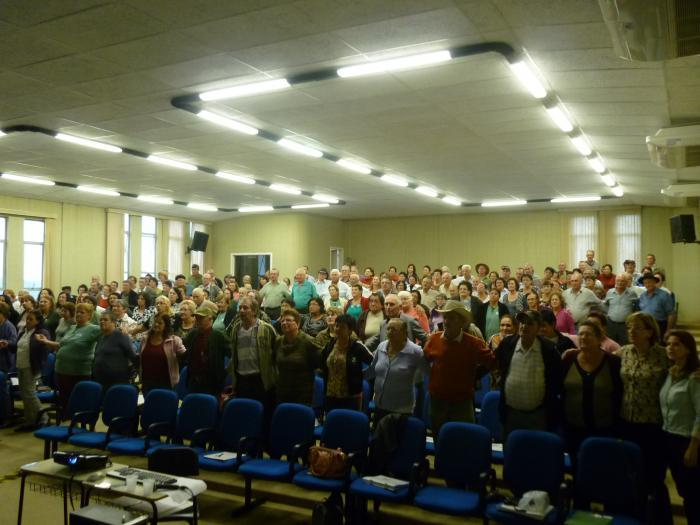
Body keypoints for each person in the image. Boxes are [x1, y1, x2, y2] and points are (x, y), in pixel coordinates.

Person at [618, 312, 671, 525]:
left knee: (653, 478)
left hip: (653, 425)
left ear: (650, 331)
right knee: (630, 476)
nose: (632, 331)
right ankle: (634, 516)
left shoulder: (663, 355)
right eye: (630, 327)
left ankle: (659, 519)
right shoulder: (624, 352)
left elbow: (686, 367)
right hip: (626, 423)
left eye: (637, 328)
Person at [423, 301, 494, 437]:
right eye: (446, 317)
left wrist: (476, 376)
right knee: (440, 440)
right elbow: (424, 360)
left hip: (462, 403)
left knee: (463, 440)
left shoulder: (474, 344)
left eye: (452, 318)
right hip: (437, 402)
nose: (447, 322)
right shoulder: (433, 339)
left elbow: (491, 362)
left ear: (462, 322)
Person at [560, 320, 623, 462]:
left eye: (588, 334)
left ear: (599, 338)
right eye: (581, 334)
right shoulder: (569, 358)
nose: (583, 337)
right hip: (573, 427)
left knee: (599, 467)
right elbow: (561, 389)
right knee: (576, 465)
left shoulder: (613, 362)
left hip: (603, 429)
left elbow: (619, 394)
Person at [496, 310, 563, 438]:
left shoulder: (549, 350)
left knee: (536, 454)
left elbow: (557, 381)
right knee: (512, 452)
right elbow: (495, 364)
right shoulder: (507, 344)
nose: (524, 326)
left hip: (538, 415)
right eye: (522, 322)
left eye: (529, 323)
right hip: (511, 415)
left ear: (538, 328)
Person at [660, 330, 700, 523]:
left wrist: (694, 446)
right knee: (684, 489)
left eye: (676, 344)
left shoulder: (695, 378)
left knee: (693, 493)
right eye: (668, 344)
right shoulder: (671, 373)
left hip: (687, 440)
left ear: (688, 350)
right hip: (669, 437)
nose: (670, 348)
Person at [36, 303, 102, 417]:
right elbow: (61, 345)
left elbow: (109, 332)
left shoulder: (94, 329)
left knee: (78, 403)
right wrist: (46, 341)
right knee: (65, 402)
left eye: (82, 312)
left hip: (78, 372)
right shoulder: (72, 327)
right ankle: (67, 425)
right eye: (77, 312)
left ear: (89, 315)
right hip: (62, 370)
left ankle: (77, 426)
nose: (78, 314)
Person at [365, 318, 429, 425]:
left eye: (394, 329)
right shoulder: (382, 347)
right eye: (388, 329)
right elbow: (372, 370)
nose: (389, 332)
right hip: (380, 406)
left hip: (401, 410)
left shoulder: (415, 352)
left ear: (404, 332)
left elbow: (428, 373)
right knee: (378, 440)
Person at [227, 296, 278, 419]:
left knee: (262, 416)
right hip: (242, 380)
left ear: (254, 311)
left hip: (260, 380)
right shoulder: (236, 329)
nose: (242, 311)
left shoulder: (266, 329)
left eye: (245, 308)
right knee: (244, 416)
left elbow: (276, 353)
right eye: (240, 308)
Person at [320, 314, 373, 412]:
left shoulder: (357, 347)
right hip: (330, 394)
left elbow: (373, 364)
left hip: (350, 396)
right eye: (336, 326)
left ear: (350, 330)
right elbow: (322, 363)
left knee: (348, 423)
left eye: (342, 327)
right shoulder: (330, 345)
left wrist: (361, 376)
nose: (338, 329)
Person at [13, 309, 50, 431]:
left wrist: (42, 342)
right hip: (20, 365)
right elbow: (18, 346)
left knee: (30, 394)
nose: (27, 321)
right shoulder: (24, 331)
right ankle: (30, 420)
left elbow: (45, 347)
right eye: (27, 319)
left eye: (31, 319)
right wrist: (7, 344)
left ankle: (44, 417)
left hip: (31, 367)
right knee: (24, 395)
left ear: (37, 321)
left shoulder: (41, 332)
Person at [182, 301, 229, 396]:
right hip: (194, 379)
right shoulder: (192, 334)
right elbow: (183, 352)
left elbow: (232, 354)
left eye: (201, 318)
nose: (197, 320)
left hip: (212, 381)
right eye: (197, 318)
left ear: (210, 318)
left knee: (210, 407)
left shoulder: (218, 336)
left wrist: (224, 373)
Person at [275, 309, 320, 405]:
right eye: (282, 321)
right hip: (282, 392)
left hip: (303, 394)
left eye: (288, 320)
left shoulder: (308, 341)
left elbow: (318, 364)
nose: (284, 323)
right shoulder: (278, 342)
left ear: (298, 324)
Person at [139, 313, 186, 394]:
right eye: (155, 322)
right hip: (147, 382)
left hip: (166, 383)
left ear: (166, 325)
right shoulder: (145, 339)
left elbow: (185, 356)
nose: (156, 324)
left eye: (160, 323)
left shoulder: (174, 340)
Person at [92, 311, 138, 391]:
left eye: (105, 320)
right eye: (101, 320)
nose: (102, 322)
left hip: (116, 382)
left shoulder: (121, 336)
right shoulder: (101, 338)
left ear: (113, 322)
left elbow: (133, 356)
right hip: (100, 380)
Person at [605, 273, 639, 345]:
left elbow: (636, 308)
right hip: (611, 324)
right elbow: (606, 306)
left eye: (622, 281)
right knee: (611, 344)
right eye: (618, 280)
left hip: (625, 325)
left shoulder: (632, 293)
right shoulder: (610, 292)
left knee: (624, 345)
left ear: (626, 282)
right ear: (615, 281)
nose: (620, 283)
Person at [638, 272, 674, 339]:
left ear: (654, 282)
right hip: (645, 326)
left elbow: (671, 314)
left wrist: (669, 330)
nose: (647, 284)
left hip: (660, 326)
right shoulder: (642, 296)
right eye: (645, 283)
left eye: (649, 282)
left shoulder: (664, 295)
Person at [0, 302, 18, 374]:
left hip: (5, 361)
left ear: (3, 313)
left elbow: (14, 342)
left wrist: (6, 343)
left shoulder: (9, 326)